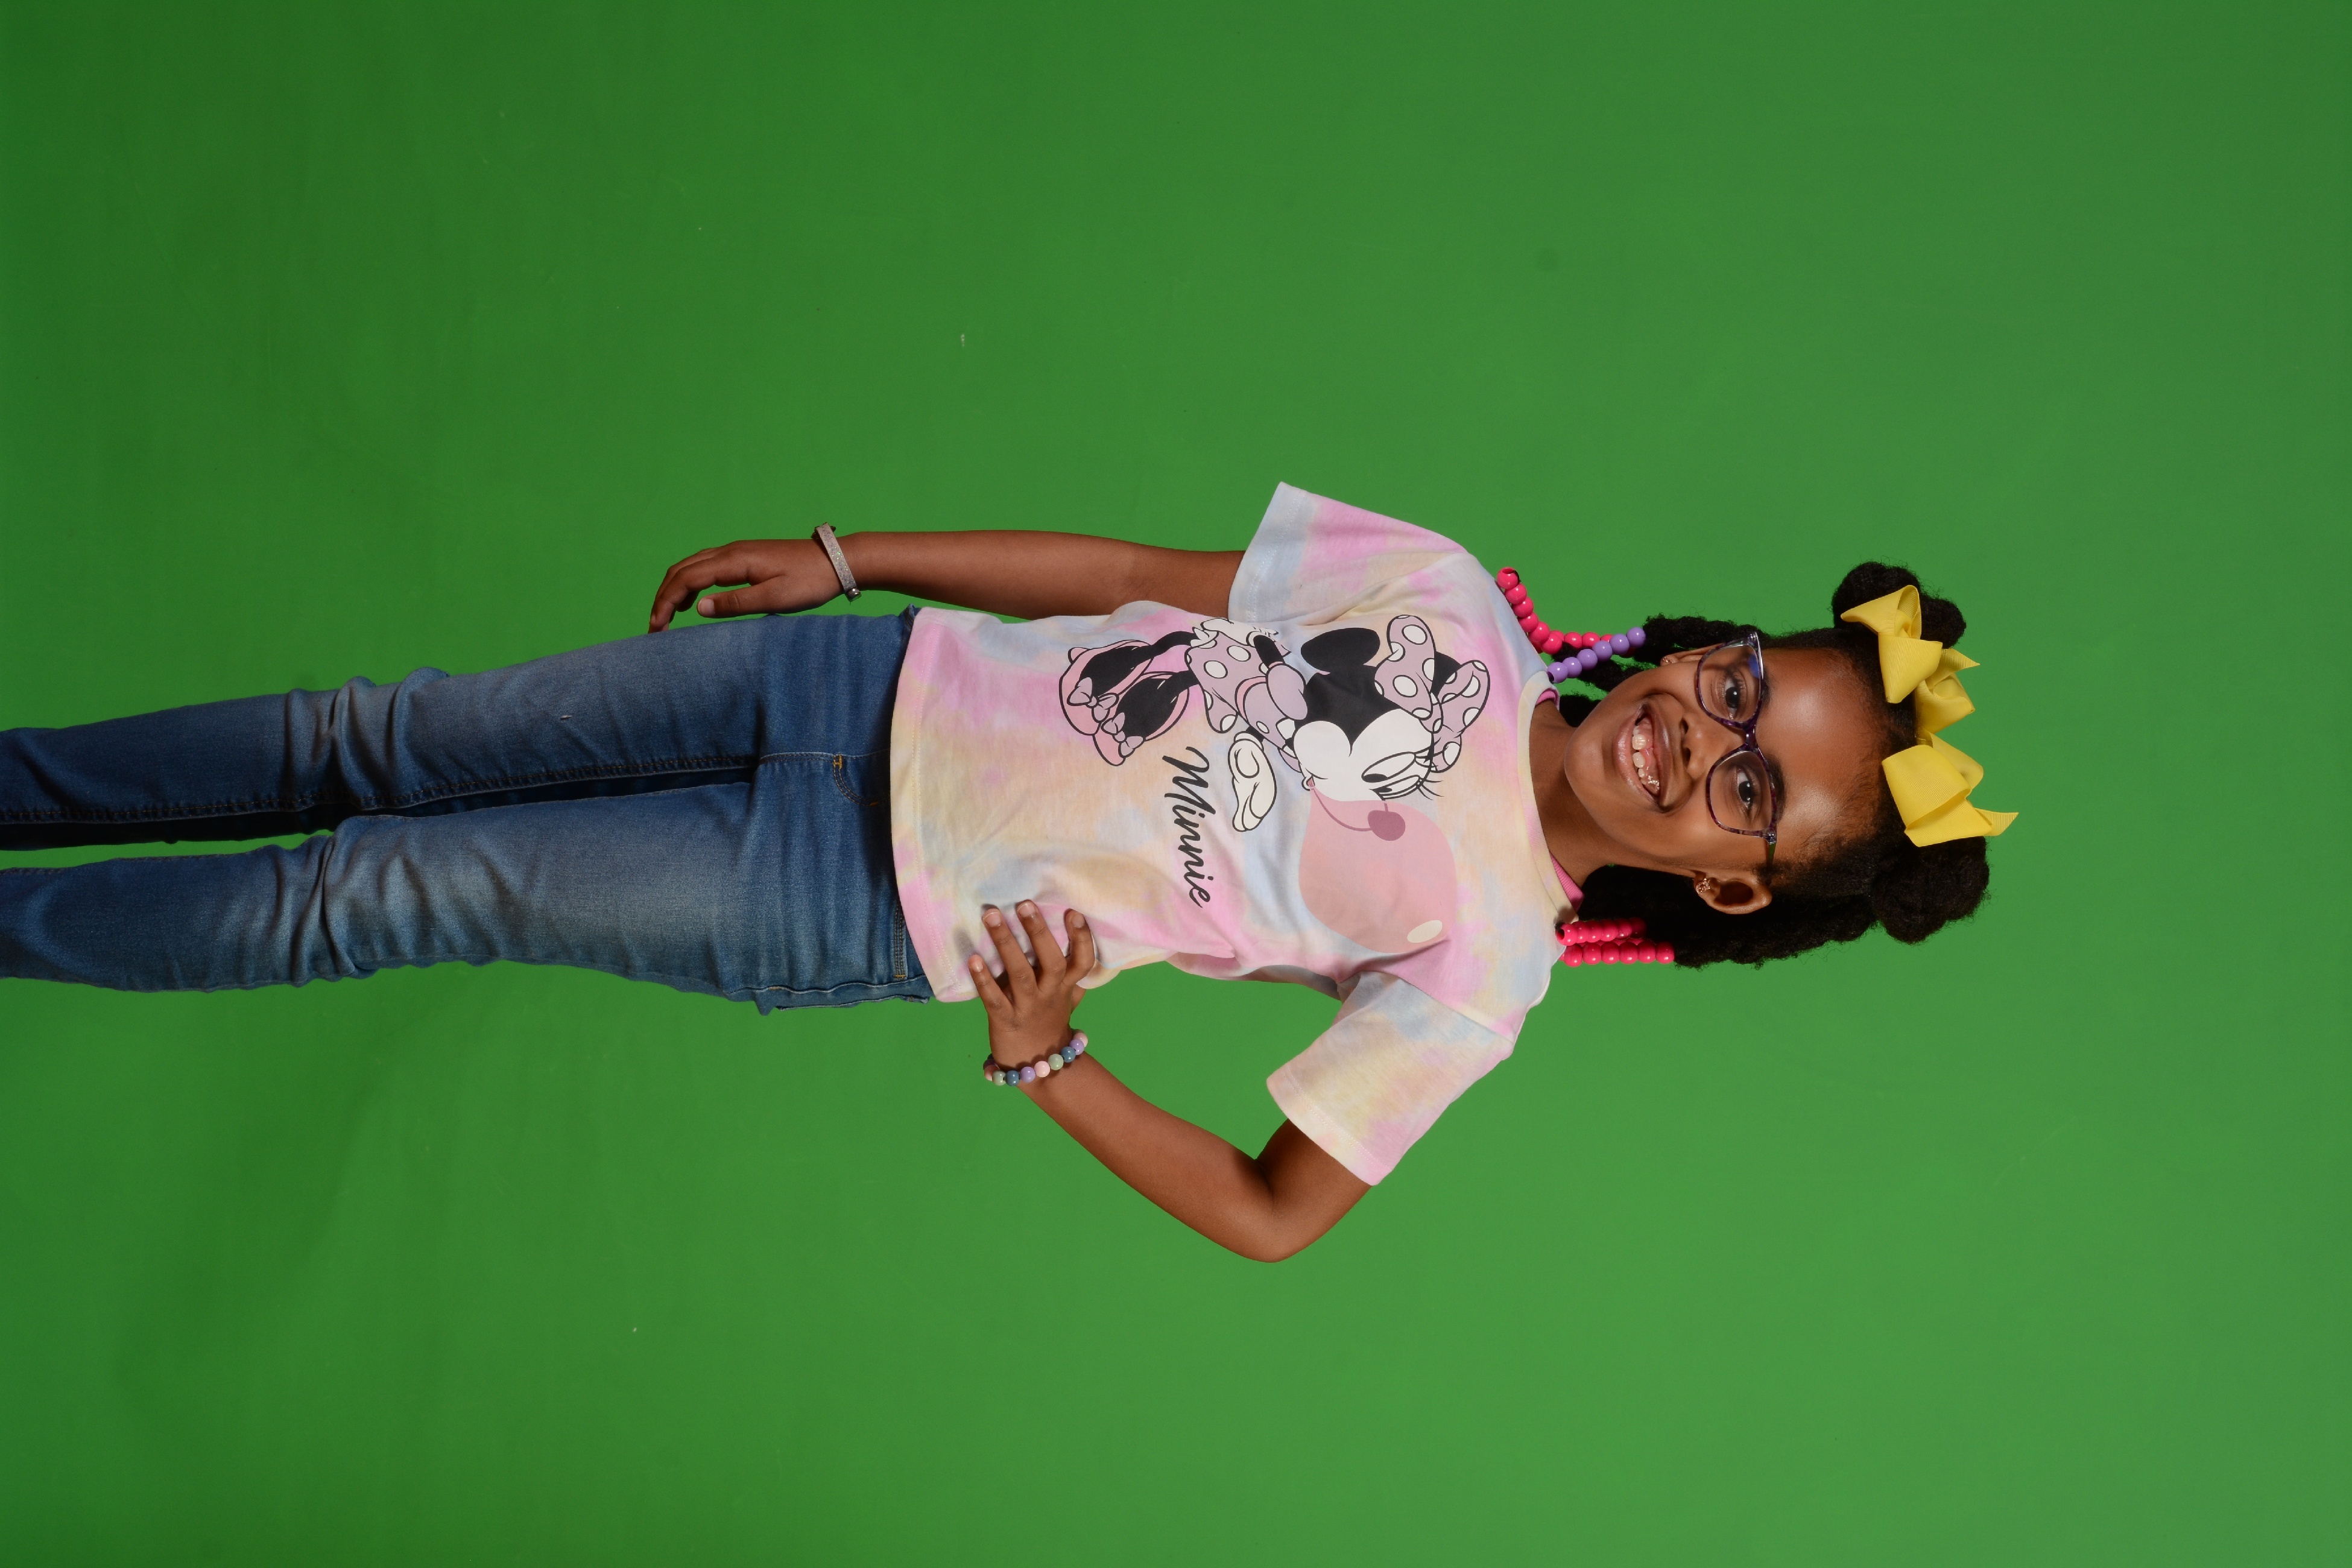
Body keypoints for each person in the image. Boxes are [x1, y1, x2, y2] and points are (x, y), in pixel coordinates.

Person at [0, 485, 2011, 1259]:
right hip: (849, 677)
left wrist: (1052, 1063)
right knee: (376, 733)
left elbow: (1271, 1213)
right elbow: (1125, 573)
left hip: (838, 896)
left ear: (1734, 885)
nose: (1694, 737)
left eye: (1750, 790)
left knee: (368, 894)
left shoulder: (1485, 965)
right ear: (1712, 643)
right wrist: (854, 556)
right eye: (1734, 686)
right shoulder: (1445, 594)